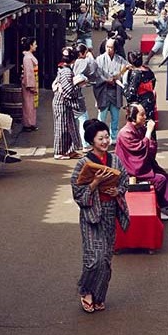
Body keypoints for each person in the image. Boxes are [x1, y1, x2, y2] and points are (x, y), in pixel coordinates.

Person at [71, 120, 129, 313]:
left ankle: (98, 295)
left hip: (109, 211)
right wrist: (95, 182)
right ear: (91, 141)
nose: (105, 141)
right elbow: (77, 192)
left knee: (105, 258)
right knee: (93, 258)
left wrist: (117, 191)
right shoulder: (83, 163)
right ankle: (86, 290)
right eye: (101, 138)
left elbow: (124, 179)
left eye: (107, 137)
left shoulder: (114, 160)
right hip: (91, 214)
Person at [116, 104, 168, 221]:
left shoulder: (139, 128)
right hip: (131, 169)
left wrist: (149, 135)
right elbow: (139, 150)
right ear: (133, 117)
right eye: (142, 115)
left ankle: (162, 206)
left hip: (141, 165)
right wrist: (149, 132)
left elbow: (149, 148)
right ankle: (157, 209)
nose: (145, 117)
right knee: (160, 180)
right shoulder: (125, 133)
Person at [52, 47, 87, 160]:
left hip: (65, 103)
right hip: (62, 102)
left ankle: (70, 150)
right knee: (61, 127)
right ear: (73, 60)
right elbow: (69, 92)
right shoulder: (66, 71)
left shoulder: (63, 68)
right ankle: (59, 152)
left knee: (70, 126)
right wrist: (78, 85)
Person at [93, 39, 129, 137]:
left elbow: (126, 69)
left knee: (115, 117)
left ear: (115, 48)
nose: (109, 49)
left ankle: (113, 136)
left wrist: (122, 75)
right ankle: (99, 136)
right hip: (103, 91)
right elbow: (97, 73)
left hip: (115, 91)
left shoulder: (120, 59)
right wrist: (105, 79)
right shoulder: (99, 59)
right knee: (101, 117)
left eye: (111, 47)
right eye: (107, 47)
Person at [73, 44, 99, 144]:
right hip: (77, 95)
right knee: (83, 119)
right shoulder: (83, 61)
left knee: (72, 121)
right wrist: (90, 56)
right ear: (82, 53)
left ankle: (74, 143)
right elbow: (93, 69)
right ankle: (85, 143)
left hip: (68, 95)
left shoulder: (72, 62)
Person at [123, 50, 157, 122]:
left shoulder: (136, 74)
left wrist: (124, 87)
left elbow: (131, 95)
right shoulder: (148, 70)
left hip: (140, 103)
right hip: (149, 99)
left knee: (141, 124)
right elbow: (153, 83)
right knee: (149, 121)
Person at [20, 38, 39, 132]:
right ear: (30, 46)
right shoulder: (27, 58)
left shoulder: (28, 56)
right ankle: (27, 124)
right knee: (28, 105)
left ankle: (31, 123)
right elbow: (29, 74)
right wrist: (31, 86)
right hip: (29, 84)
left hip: (33, 81)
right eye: (35, 44)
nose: (36, 46)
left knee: (32, 104)